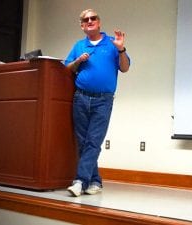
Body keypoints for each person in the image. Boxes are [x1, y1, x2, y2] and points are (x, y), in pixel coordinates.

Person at [65, 9, 130, 197]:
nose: (90, 21)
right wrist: (78, 60)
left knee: (94, 141)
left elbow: (125, 68)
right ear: (82, 26)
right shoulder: (79, 45)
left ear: (99, 22)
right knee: (83, 142)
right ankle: (95, 181)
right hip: (81, 98)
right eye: (86, 19)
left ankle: (80, 181)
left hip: (103, 101)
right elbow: (67, 69)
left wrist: (121, 49)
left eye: (93, 18)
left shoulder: (112, 43)